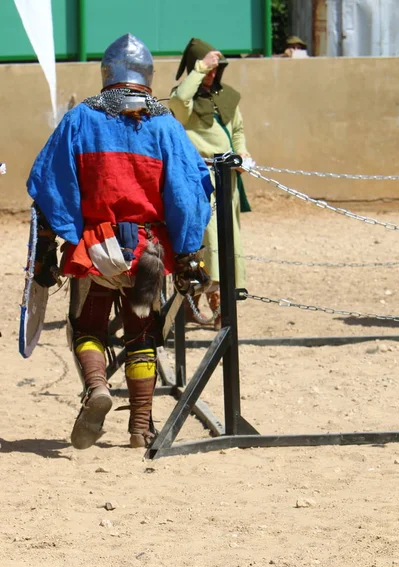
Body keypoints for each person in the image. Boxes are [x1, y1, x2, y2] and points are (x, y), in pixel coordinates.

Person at [26, 33, 212, 450]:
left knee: (86, 328)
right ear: (147, 75)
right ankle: (140, 429)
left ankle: (96, 389)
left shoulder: (80, 119)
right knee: (141, 335)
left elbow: (50, 186)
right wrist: (187, 253)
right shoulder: (165, 124)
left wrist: (48, 245)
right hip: (147, 252)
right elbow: (188, 194)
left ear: (107, 73)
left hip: (95, 248)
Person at [169, 38, 253, 330]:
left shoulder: (226, 96)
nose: (212, 74)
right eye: (207, 69)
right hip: (201, 179)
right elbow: (180, 103)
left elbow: (238, 130)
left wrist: (242, 153)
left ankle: (221, 305)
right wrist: (198, 71)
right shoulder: (184, 98)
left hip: (227, 178)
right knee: (208, 239)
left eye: (216, 69)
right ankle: (203, 303)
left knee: (228, 240)